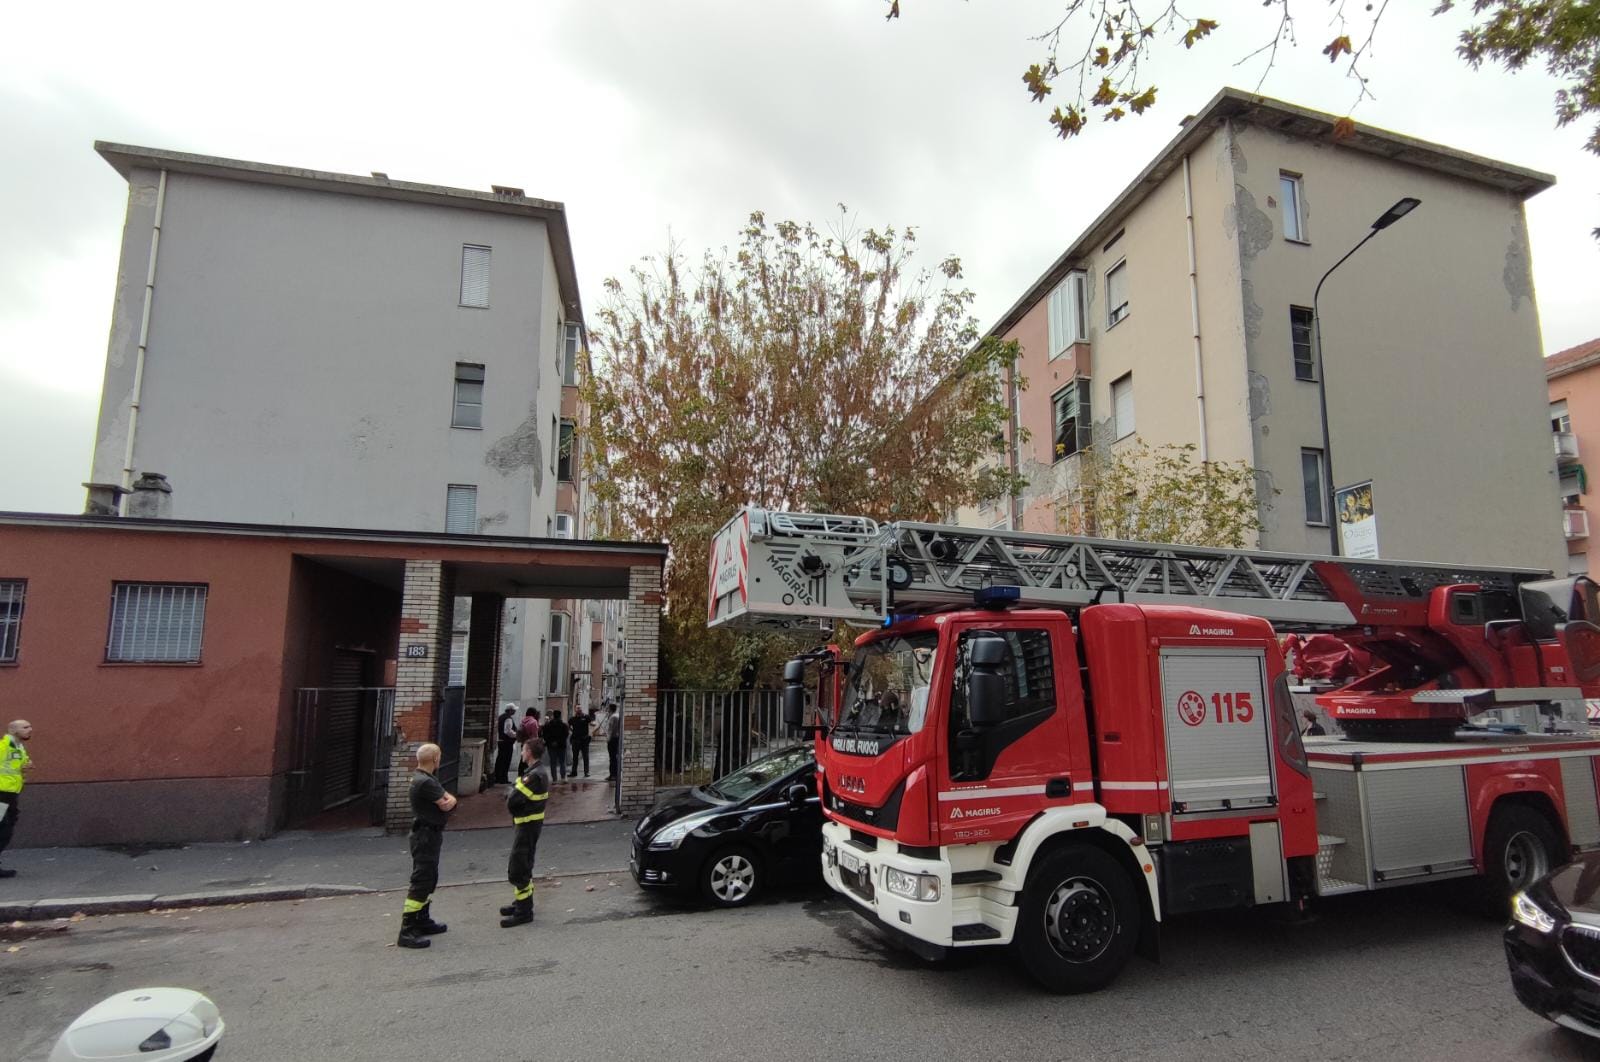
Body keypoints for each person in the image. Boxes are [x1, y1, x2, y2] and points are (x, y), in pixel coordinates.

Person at [397, 743, 455, 950]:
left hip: (428, 834)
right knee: (422, 879)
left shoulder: (424, 778)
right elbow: (447, 803)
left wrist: (448, 800)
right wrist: (451, 801)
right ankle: (407, 929)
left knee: (429, 878)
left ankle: (422, 919)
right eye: (439, 757)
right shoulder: (426, 782)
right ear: (436, 759)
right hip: (426, 835)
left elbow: (446, 800)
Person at [500, 736, 550, 928]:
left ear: (529, 752)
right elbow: (513, 791)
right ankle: (522, 903)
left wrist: (511, 794)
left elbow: (512, 799)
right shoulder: (534, 772)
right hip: (527, 825)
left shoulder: (534, 775)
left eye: (522, 750)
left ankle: (524, 911)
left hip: (527, 826)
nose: (521, 752)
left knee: (519, 866)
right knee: (524, 863)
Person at [0, 719, 34, 879]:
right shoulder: (4, 746)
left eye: (30, 726)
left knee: (7, 828)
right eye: (25, 727)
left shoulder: (18, 747)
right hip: (1, 793)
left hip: (11, 794)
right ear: (13, 730)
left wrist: (25, 767)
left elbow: (14, 767)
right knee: (3, 829)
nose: (30, 729)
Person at [541, 709, 569, 782]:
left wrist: (551, 742)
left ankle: (554, 779)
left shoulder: (548, 725)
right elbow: (565, 735)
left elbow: (544, 735)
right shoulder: (564, 725)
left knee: (553, 762)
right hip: (561, 746)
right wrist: (558, 742)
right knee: (562, 762)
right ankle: (563, 778)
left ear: (553, 716)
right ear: (560, 716)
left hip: (551, 746)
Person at [493, 705, 518, 785]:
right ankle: (503, 778)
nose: (515, 711)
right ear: (510, 710)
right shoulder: (508, 718)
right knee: (506, 760)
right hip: (507, 742)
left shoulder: (501, 717)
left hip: (501, 741)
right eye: (514, 710)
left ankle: (497, 777)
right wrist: (516, 735)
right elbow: (507, 731)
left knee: (500, 759)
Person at [569, 707, 593, 778]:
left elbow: (591, 723)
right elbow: (568, 726)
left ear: (581, 710)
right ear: (575, 710)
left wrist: (590, 733)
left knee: (585, 757)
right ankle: (574, 772)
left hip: (584, 740)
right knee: (575, 757)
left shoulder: (586, 717)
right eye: (577, 709)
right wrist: (573, 731)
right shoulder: (572, 719)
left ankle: (586, 772)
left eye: (580, 709)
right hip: (575, 740)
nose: (579, 710)